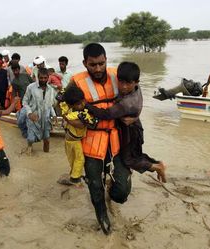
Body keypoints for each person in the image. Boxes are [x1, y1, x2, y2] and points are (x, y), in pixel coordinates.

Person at [66, 43, 129, 235]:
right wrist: (71, 121)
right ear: (85, 63)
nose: (98, 69)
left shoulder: (117, 75)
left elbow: (135, 93)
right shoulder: (75, 81)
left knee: (123, 191)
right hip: (91, 140)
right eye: (93, 65)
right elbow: (62, 107)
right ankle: (102, 218)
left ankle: (113, 191)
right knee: (95, 185)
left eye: (101, 63)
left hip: (117, 138)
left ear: (106, 60)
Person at [85, 62, 167, 179]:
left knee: (129, 160)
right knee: (135, 155)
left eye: (128, 83)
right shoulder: (136, 88)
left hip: (131, 131)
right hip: (134, 124)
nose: (123, 86)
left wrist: (86, 105)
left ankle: (157, 167)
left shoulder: (127, 103)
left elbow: (105, 114)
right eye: (121, 82)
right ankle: (158, 164)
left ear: (136, 82)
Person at [57, 86, 97, 187]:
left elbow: (62, 106)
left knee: (75, 159)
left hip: (73, 140)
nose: (83, 104)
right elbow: (80, 123)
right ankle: (75, 179)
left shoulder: (77, 112)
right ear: (72, 105)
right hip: (72, 141)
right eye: (79, 104)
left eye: (83, 101)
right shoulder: (74, 114)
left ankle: (74, 175)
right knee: (78, 159)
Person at [17, 68, 57, 155]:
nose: (43, 80)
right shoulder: (31, 87)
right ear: (38, 77)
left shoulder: (50, 89)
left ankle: (47, 156)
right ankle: (29, 148)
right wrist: (29, 113)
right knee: (31, 138)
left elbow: (50, 105)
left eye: (45, 78)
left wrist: (54, 115)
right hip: (34, 116)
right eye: (41, 78)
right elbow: (25, 101)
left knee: (47, 138)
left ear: (48, 77)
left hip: (46, 118)